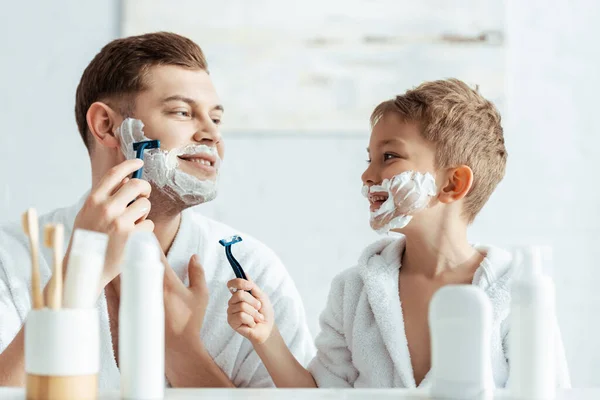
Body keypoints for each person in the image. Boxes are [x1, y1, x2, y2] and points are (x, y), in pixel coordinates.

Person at [0, 31, 314, 388]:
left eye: (216, 118)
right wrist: (77, 281)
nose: (212, 134)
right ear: (107, 126)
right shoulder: (10, 259)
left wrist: (181, 348)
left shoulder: (248, 269)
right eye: (182, 112)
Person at [225, 78, 571, 388]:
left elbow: (550, 392)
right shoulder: (354, 291)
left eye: (389, 157)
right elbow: (322, 397)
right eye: (369, 159)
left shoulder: (516, 294)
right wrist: (266, 336)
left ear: (453, 183)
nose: (368, 176)